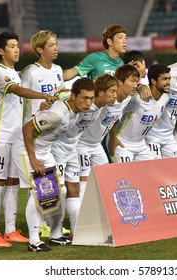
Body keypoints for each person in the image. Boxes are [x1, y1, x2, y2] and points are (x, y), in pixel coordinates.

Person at [0, 31, 56, 247]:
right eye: (12, 46)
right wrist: (44, 95)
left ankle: (11, 230)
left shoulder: (15, 72)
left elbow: (16, 97)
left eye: (17, 45)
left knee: (14, 183)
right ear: (0, 51)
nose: (17, 49)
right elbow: (16, 90)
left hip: (16, 137)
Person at [11, 77, 96, 252]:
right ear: (74, 96)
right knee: (38, 192)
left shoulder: (72, 103)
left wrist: (55, 95)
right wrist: (33, 159)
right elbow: (27, 128)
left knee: (61, 190)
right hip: (26, 150)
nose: (88, 103)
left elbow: (63, 93)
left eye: (91, 98)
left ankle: (56, 235)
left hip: (45, 150)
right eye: (84, 98)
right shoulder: (57, 115)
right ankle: (34, 241)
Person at [50, 74, 118, 242]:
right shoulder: (77, 103)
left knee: (74, 190)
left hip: (72, 147)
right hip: (57, 147)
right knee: (57, 190)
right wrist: (52, 98)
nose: (88, 102)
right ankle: (52, 232)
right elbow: (63, 96)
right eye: (112, 92)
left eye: (91, 98)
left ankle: (76, 231)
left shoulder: (99, 106)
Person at [19, 30, 67, 238]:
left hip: (52, 133)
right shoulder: (32, 72)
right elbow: (20, 96)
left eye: (56, 44)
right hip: (35, 134)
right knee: (40, 186)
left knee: (53, 186)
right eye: (52, 45)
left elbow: (62, 95)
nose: (56, 48)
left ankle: (49, 226)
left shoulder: (58, 70)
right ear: (40, 50)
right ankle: (38, 230)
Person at [77, 64, 140, 197]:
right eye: (132, 81)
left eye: (137, 82)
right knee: (82, 180)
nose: (136, 85)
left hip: (96, 145)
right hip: (81, 143)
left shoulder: (127, 99)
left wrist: (113, 137)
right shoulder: (102, 100)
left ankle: (100, 211)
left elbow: (114, 119)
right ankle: (79, 214)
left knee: (105, 179)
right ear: (120, 82)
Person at [110, 64, 170, 163]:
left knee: (152, 173)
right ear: (154, 81)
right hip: (123, 144)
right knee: (126, 177)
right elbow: (111, 116)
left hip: (141, 145)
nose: (168, 82)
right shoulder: (136, 99)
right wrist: (112, 138)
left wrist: (140, 86)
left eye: (169, 79)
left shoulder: (165, 98)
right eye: (165, 79)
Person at [63, 24, 127, 81]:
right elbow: (73, 71)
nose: (124, 41)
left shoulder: (121, 63)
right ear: (109, 41)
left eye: (125, 38)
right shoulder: (95, 58)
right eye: (120, 38)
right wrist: (55, 75)